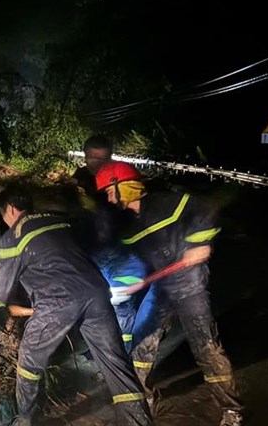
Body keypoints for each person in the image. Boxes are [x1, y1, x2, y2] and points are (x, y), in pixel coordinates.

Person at [0, 185, 152, 426]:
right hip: (97, 293)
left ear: (10, 209)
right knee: (115, 364)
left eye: (4, 217)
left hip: (57, 301)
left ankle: (24, 420)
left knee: (29, 361)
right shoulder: (59, 222)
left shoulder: (15, 236)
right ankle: (140, 422)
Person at [95, 161, 244, 426]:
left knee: (206, 349)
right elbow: (134, 258)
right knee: (140, 346)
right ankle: (143, 403)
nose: (108, 198)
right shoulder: (128, 226)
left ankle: (232, 411)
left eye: (109, 191)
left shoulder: (168, 203)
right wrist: (132, 279)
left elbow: (207, 210)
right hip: (162, 288)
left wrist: (200, 242)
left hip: (190, 285)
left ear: (124, 186)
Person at [72, 135, 153, 351]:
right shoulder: (79, 179)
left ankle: (125, 349)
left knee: (123, 303)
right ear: (85, 156)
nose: (97, 164)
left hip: (119, 247)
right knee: (101, 300)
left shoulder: (120, 179)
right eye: (92, 159)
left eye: (102, 159)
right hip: (94, 248)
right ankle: (105, 345)